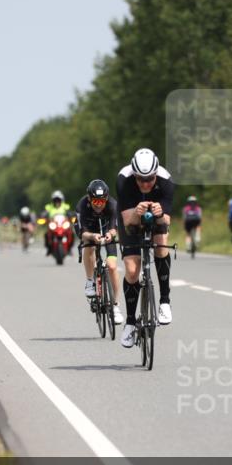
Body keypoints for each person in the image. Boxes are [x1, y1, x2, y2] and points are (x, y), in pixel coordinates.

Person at [116, 147, 174, 348]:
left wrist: (159, 214)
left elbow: (166, 220)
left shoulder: (166, 180)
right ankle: (131, 322)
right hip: (130, 217)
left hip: (156, 216)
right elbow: (128, 225)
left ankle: (165, 301)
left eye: (149, 179)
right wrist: (136, 214)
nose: (145, 184)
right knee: (132, 270)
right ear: (134, 175)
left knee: (161, 245)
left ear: (156, 174)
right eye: (140, 179)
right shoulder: (124, 180)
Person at [76, 179, 124, 325]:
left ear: (107, 199)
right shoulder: (82, 206)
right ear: (89, 199)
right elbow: (82, 233)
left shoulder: (113, 205)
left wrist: (110, 234)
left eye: (102, 202)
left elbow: (114, 228)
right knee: (88, 246)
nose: (99, 205)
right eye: (95, 202)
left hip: (107, 230)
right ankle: (90, 281)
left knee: (112, 266)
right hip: (89, 231)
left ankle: (115, 306)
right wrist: (92, 236)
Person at [43, 190, 71, 255]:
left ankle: (69, 248)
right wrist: (44, 214)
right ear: (53, 200)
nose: (57, 202)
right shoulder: (49, 206)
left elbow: (69, 212)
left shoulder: (65, 206)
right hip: (53, 224)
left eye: (58, 200)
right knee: (47, 234)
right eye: (55, 200)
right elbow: (45, 212)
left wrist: (70, 214)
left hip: (63, 224)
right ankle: (49, 248)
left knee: (70, 233)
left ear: (61, 200)